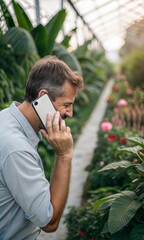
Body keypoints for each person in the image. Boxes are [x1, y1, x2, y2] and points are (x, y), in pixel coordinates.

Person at [0, 56, 83, 240]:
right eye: (66, 105)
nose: (70, 113)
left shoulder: (5, 118)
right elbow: (49, 222)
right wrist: (64, 155)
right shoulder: (16, 149)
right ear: (43, 97)